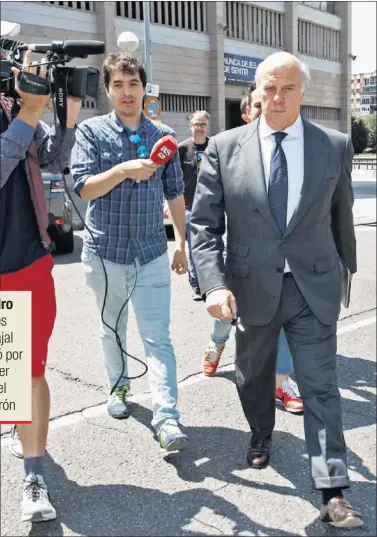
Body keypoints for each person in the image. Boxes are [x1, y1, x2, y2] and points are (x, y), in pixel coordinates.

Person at [190, 52, 362, 528]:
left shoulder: (333, 145)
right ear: (257, 91)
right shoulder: (225, 148)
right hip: (250, 289)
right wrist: (214, 285)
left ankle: (332, 491)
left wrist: (345, 274)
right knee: (252, 376)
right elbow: (204, 226)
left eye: (287, 88)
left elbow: (340, 216)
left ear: (303, 92)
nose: (277, 97)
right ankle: (261, 432)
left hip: (312, 286)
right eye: (269, 87)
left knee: (321, 388)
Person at [71, 53, 188, 452]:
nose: (126, 92)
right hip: (106, 253)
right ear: (107, 90)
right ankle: (118, 388)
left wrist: (181, 246)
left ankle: (167, 417)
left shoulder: (163, 135)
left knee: (158, 337)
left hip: (153, 251)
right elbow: (83, 188)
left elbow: (175, 193)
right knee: (112, 329)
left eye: (133, 84)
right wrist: (122, 170)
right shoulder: (91, 132)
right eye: (118, 85)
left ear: (143, 88)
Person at [1, 33, 81, 522]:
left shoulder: (16, 101)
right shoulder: (19, 109)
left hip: (27, 259)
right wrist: (29, 112)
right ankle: (14, 420)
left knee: (28, 368)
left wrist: (64, 108)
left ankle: (34, 473)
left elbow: (52, 159)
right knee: (9, 369)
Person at [202, 82, 303, 416]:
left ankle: (282, 382)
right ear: (247, 114)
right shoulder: (227, 151)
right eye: (258, 106)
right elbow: (207, 220)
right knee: (228, 319)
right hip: (240, 263)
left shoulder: (292, 151)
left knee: (282, 323)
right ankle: (216, 345)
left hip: (281, 266)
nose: (268, 110)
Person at [178, 111, 210, 300]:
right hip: (189, 206)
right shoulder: (182, 149)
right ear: (190, 126)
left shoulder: (214, 146)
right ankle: (196, 284)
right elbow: (174, 179)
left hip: (212, 206)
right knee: (192, 248)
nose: (199, 128)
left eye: (203, 124)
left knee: (212, 246)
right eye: (196, 124)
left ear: (208, 127)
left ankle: (211, 282)